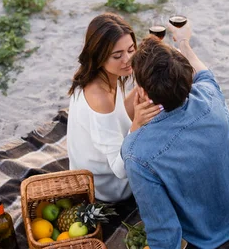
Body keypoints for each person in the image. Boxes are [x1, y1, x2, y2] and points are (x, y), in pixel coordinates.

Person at [121, 21, 229, 249]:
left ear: (143, 93)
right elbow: (204, 73)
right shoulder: (207, 94)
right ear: (186, 79)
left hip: (201, 231)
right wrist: (184, 43)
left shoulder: (136, 152)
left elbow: (161, 222)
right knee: (228, 119)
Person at [67, 13, 161, 202]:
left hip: (100, 167)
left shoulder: (103, 76)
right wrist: (137, 125)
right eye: (117, 55)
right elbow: (120, 169)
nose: (127, 59)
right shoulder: (99, 97)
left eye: (131, 49)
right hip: (107, 186)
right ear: (99, 57)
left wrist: (141, 89)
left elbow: (116, 117)